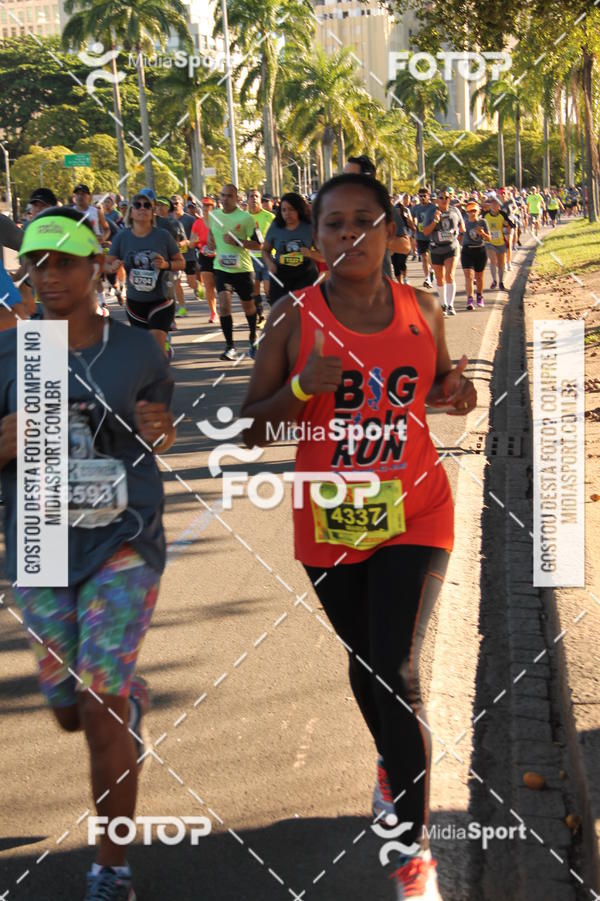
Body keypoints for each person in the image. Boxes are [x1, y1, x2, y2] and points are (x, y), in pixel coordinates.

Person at [240, 172, 476, 901]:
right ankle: (390, 759)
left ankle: (414, 855)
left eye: (365, 221)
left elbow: (442, 390)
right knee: (368, 660)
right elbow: (254, 429)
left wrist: (456, 394)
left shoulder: (423, 307)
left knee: (398, 670)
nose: (350, 235)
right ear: (314, 244)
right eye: (334, 225)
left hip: (417, 509)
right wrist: (305, 386)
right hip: (331, 516)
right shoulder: (291, 318)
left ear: (390, 232)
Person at [0, 206, 176, 901]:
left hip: (122, 539)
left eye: (65, 262)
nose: (50, 277)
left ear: (98, 266)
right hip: (40, 543)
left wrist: (160, 432)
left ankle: (111, 866)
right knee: (69, 708)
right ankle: (122, 708)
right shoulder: (11, 352)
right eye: (37, 264)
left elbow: (158, 428)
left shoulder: (138, 351)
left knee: (97, 703)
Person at [106, 192, 185, 358]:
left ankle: (159, 376)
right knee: (144, 351)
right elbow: (107, 265)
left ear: (152, 211)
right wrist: (112, 266)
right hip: (136, 301)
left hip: (162, 299)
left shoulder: (163, 236)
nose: (142, 208)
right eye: (138, 205)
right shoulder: (122, 237)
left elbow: (181, 262)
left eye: (147, 205)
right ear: (131, 212)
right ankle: (163, 352)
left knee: (155, 348)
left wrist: (165, 265)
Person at [209, 183, 262, 361]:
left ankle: (253, 337)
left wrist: (238, 242)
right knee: (224, 305)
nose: (224, 199)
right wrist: (210, 243)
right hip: (221, 268)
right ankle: (229, 347)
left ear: (236, 198)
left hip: (243, 269)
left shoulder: (246, 218)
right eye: (222, 195)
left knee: (249, 307)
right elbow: (212, 236)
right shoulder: (214, 215)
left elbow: (259, 244)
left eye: (229, 196)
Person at [261, 192, 322, 306]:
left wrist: (310, 253)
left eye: (291, 209)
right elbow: (265, 250)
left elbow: (324, 256)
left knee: (303, 310)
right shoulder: (276, 226)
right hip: (281, 273)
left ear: (299, 209)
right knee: (279, 309)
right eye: (284, 210)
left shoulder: (309, 227)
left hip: (304, 274)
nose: (287, 214)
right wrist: (270, 264)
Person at [422, 188, 465, 316]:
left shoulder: (455, 210)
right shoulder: (431, 212)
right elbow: (425, 232)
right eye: (441, 197)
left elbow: (463, 227)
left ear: (449, 198)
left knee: (449, 275)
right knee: (440, 278)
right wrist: (435, 221)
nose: (444, 200)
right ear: (437, 200)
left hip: (451, 247)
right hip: (436, 248)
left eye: (446, 197)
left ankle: (450, 305)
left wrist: (458, 233)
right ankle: (443, 304)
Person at [72, 184, 111, 316]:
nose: (80, 196)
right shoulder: (70, 213)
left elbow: (106, 228)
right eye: (77, 194)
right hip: (77, 250)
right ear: (74, 197)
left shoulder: (96, 212)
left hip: (94, 249)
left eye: (83, 194)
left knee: (96, 277)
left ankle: (102, 301)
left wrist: (103, 238)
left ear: (89, 196)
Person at [247, 187, 275, 328]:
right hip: (250, 258)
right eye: (251, 196)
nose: (254, 199)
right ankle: (261, 317)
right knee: (255, 289)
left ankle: (274, 314)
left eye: (257, 196)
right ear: (247, 200)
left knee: (269, 288)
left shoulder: (269, 217)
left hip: (268, 257)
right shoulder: (244, 217)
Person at [189, 196, 219, 324]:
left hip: (219, 256)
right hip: (204, 256)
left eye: (209, 206)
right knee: (209, 286)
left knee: (220, 286)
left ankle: (223, 309)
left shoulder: (218, 222)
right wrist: (196, 241)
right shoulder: (198, 223)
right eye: (204, 206)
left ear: (213, 207)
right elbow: (191, 243)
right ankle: (213, 313)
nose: (206, 208)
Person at [170, 194, 200, 317]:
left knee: (191, 282)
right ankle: (182, 308)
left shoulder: (190, 219)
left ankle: (198, 287)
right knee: (176, 281)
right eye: (172, 204)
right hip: (175, 257)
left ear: (182, 205)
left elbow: (197, 236)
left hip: (189, 255)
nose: (174, 206)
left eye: (177, 203)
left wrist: (187, 242)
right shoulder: (168, 220)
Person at [460, 201, 491, 310]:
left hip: (480, 251)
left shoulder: (483, 222)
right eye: (470, 211)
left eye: (474, 211)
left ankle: (479, 295)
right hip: (467, 251)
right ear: (467, 212)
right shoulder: (464, 223)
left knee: (479, 277)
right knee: (469, 276)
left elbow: (489, 238)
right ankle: (469, 299)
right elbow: (459, 235)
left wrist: (482, 233)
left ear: (478, 211)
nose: (472, 213)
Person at [483, 194, 512, 291]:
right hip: (489, 242)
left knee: (501, 264)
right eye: (493, 204)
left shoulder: (502, 215)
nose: (495, 206)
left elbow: (510, 226)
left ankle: (501, 282)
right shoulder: (485, 215)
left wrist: (507, 228)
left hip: (500, 242)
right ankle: (494, 280)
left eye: (497, 204)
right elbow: (479, 224)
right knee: (493, 260)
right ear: (490, 205)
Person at [411, 188, 437, 288]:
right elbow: (412, 218)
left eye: (424, 196)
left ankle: (432, 271)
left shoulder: (433, 207)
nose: (422, 198)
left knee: (432, 258)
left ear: (428, 196)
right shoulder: (416, 208)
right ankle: (427, 278)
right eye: (420, 196)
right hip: (420, 236)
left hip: (432, 236)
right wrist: (414, 224)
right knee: (424, 257)